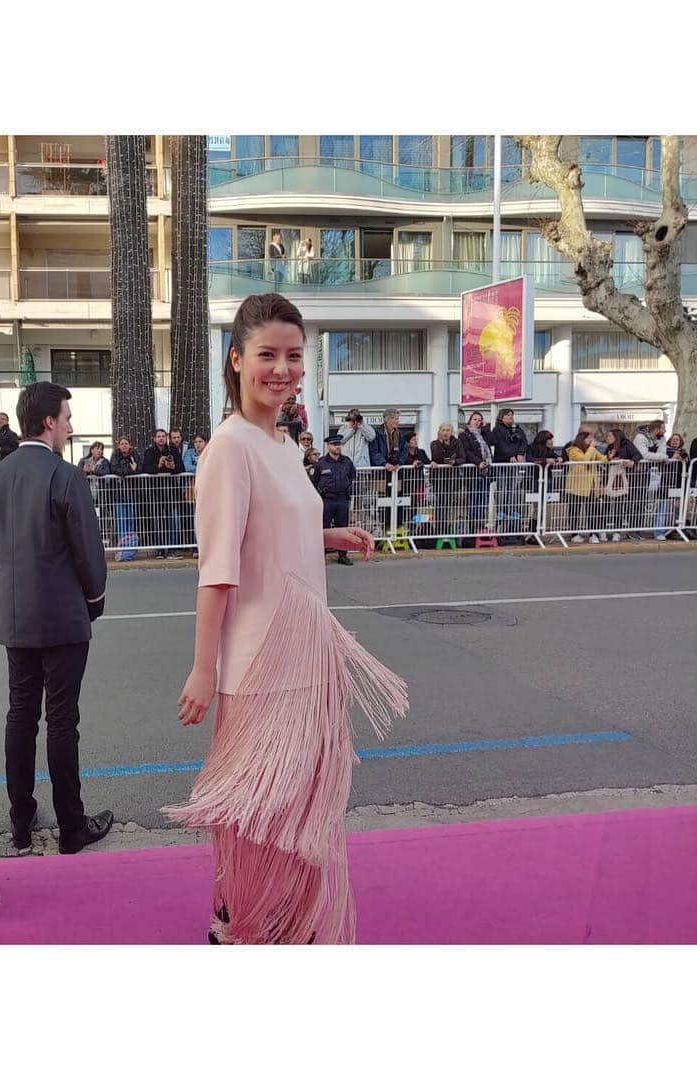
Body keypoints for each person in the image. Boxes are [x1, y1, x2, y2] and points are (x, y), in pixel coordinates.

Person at [165, 293, 407, 945]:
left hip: (306, 658)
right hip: (258, 667)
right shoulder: (231, 447)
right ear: (236, 360)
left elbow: (269, 532)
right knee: (260, 819)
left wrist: (332, 537)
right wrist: (202, 667)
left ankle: (263, 924)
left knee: (294, 816)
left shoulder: (281, 443)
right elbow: (218, 567)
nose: (282, 368)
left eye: (294, 356)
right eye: (267, 354)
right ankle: (237, 926)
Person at [0, 382, 114, 857]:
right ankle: (71, 826)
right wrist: (94, 600)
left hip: (16, 617)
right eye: (67, 418)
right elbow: (88, 552)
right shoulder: (65, 475)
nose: (71, 426)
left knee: (20, 716)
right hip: (62, 618)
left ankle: (20, 818)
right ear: (49, 422)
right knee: (61, 721)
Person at [311, 433, 356, 565]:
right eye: (334, 444)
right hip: (327, 500)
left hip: (342, 499)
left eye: (339, 444)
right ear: (328, 446)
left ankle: (343, 555)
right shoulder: (321, 463)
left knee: (342, 529)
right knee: (324, 529)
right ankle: (321, 556)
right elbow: (314, 481)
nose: (337, 447)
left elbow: (352, 475)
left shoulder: (347, 461)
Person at [142, 428, 185, 558]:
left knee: (173, 520)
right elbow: (146, 469)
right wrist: (159, 465)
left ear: (166, 437)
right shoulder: (149, 452)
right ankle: (160, 549)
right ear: (154, 438)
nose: (161, 438)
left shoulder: (173, 450)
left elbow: (181, 468)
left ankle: (172, 548)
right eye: (158, 436)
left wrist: (172, 468)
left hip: (171, 491)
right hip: (155, 491)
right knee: (158, 520)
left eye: (163, 436)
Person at [489, 408, 529, 541]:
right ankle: (501, 517)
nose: (511, 417)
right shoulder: (497, 430)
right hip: (502, 463)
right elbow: (500, 445)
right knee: (502, 491)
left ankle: (512, 518)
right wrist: (510, 455)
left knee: (512, 491)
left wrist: (520, 453)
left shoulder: (517, 428)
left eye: (512, 414)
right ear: (501, 417)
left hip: (514, 465)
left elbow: (524, 441)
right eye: (508, 415)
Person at [563, 431, 608, 542]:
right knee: (574, 511)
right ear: (582, 439)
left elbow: (602, 458)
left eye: (591, 438)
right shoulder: (573, 450)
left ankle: (593, 534)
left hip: (591, 486)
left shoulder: (591, 450)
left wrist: (610, 457)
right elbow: (585, 459)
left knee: (592, 510)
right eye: (588, 439)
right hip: (576, 486)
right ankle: (574, 535)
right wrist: (592, 448)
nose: (591, 441)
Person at [459, 411, 492, 541]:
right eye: (475, 419)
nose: (477, 422)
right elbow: (466, 452)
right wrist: (478, 462)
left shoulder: (483, 434)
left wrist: (485, 428)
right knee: (474, 499)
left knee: (483, 500)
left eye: (480, 420)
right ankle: (473, 527)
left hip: (485, 472)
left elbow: (493, 440)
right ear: (469, 421)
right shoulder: (464, 435)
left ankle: (481, 525)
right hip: (473, 472)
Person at [604, 428, 641, 541]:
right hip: (609, 479)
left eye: (610, 436)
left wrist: (632, 461)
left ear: (616, 436)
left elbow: (638, 455)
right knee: (605, 506)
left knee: (619, 506)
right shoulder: (609, 448)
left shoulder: (626, 444)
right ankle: (603, 530)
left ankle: (617, 531)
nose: (607, 438)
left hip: (622, 479)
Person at [109, 435, 143, 560]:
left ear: (130, 445)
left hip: (133, 495)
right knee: (122, 524)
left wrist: (131, 470)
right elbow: (115, 469)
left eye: (126, 443)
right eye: (122, 443)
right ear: (118, 446)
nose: (124, 445)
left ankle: (130, 551)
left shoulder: (135, 455)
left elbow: (139, 469)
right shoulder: (115, 456)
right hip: (119, 496)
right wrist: (130, 469)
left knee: (131, 524)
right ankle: (123, 550)